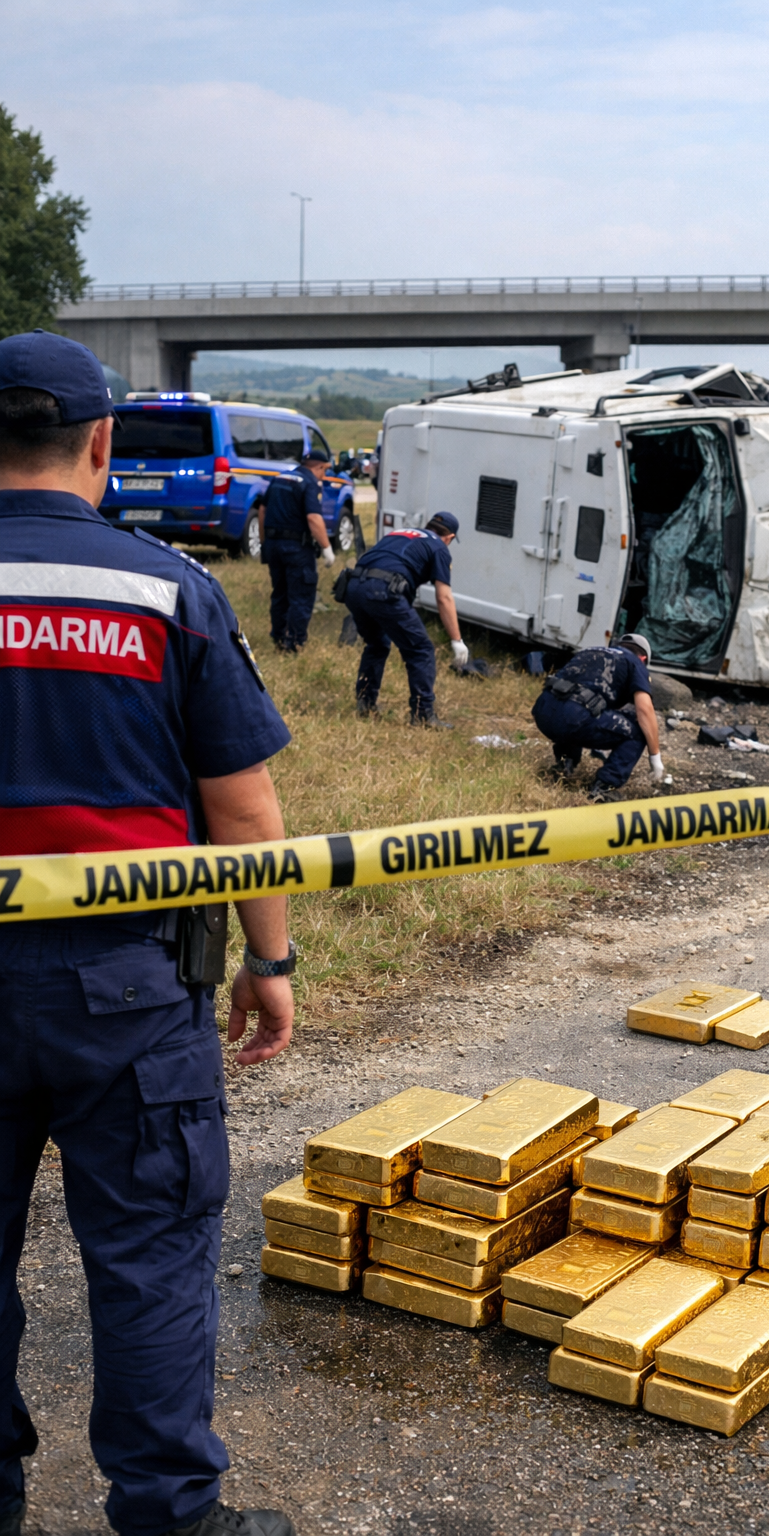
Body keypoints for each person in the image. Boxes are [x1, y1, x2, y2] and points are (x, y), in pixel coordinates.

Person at [0, 330, 299, 1536]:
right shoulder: (165, 586)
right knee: (151, 1259)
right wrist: (269, 960)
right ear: (102, 443)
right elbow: (242, 807)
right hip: (126, 988)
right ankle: (170, 1516)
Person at [343, 511, 468, 726]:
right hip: (382, 591)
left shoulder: (398, 533)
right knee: (421, 650)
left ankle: (365, 703)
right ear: (450, 538)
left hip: (353, 587)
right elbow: (444, 597)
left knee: (376, 645)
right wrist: (457, 640)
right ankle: (423, 715)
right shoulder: (439, 546)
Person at [532, 634, 665, 802]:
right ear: (643, 658)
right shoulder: (635, 662)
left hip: (542, 713)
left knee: (576, 707)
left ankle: (565, 764)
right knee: (638, 730)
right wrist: (655, 756)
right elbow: (645, 711)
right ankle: (604, 787)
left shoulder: (590, 651)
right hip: (573, 719)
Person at [259, 447, 335, 653]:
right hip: (296, 548)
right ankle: (294, 643)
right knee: (301, 595)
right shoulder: (310, 483)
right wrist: (327, 548)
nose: (324, 475)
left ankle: (278, 637)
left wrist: (264, 542)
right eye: (324, 470)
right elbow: (313, 518)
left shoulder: (280, 478)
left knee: (280, 593)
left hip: (274, 545)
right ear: (318, 467)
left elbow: (263, 510)